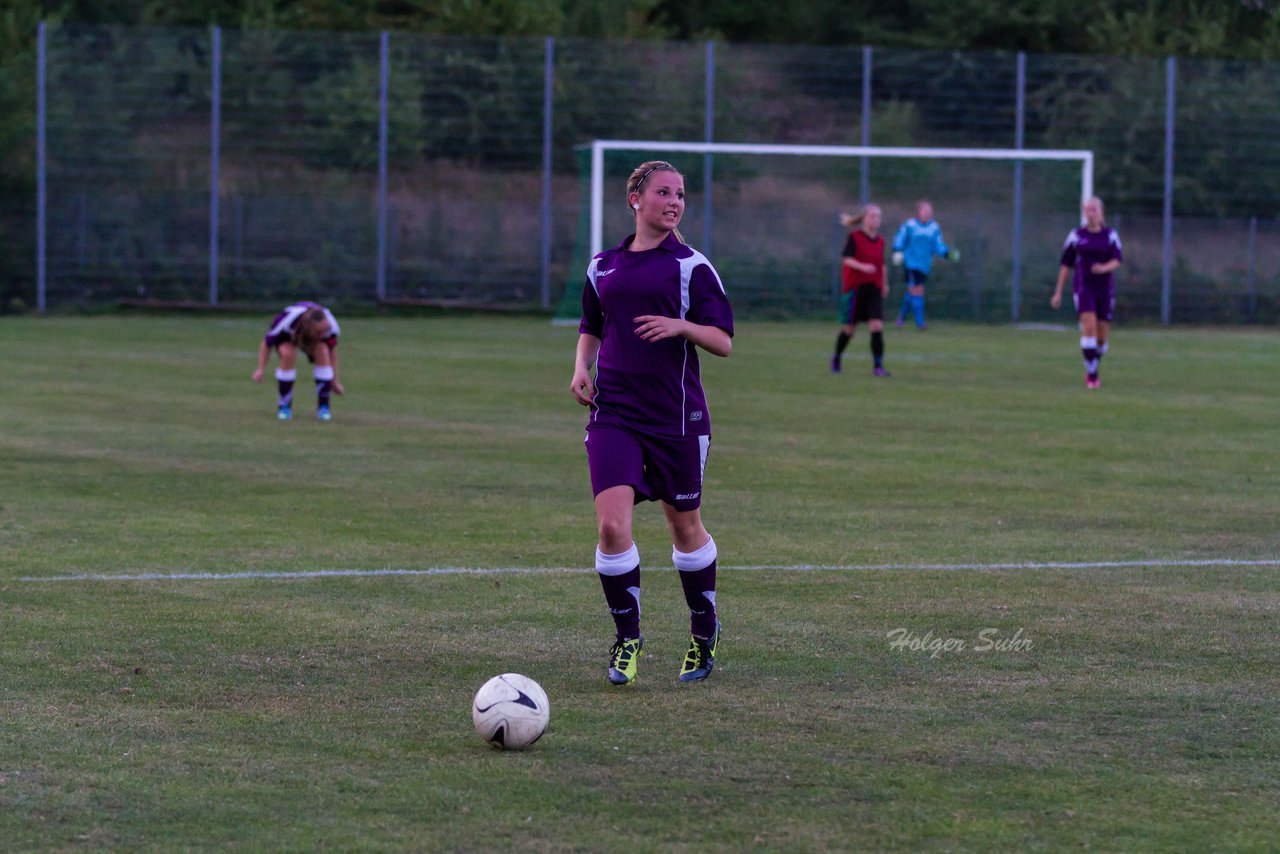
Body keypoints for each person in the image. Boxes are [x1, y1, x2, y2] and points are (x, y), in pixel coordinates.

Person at [569, 160, 734, 686]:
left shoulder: (691, 267)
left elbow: (724, 341)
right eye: (664, 192)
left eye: (681, 195)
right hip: (614, 411)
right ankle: (627, 641)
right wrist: (580, 366)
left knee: (684, 528)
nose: (674, 201)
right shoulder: (604, 265)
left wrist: (682, 325)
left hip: (676, 418)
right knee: (611, 526)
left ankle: (703, 630)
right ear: (635, 199)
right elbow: (592, 325)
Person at [1051, 197, 1123, 389]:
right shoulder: (1076, 235)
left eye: (1094, 210)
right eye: (1087, 210)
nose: (1091, 213)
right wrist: (1058, 292)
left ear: (1101, 212)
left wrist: (1103, 268)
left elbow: (1117, 260)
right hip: (1083, 287)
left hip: (1105, 289)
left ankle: (1092, 364)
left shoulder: (1110, 235)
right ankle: (1092, 375)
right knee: (1088, 327)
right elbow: (1066, 264)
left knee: (1102, 338)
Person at [251, 301, 344, 420]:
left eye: (325, 330)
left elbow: (332, 354)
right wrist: (261, 369)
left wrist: (335, 381)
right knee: (287, 354)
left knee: (323, 351)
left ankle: (324, 408)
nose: (324, 335)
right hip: (289, 338)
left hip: (310, 340)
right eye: (319, 332)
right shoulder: (286, 321)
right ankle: (284, 407)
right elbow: (266, 344)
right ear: (307, 328)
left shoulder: (330, 326)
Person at [831, 204, 890, 377]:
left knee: (877, 325)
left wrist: (885, 284)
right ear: (864, 218)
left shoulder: (880, 241)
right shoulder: (854, 237)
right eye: (872, 216)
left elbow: (882, 265)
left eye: (878, 216)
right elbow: (847, 260)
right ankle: (836, 358)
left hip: (873, 288)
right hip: (855, 289)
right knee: (850, 329)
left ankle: (878, 367)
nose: (876, 219)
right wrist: (863, 267)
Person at [891, 200, 957, 329]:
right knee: (918, 290)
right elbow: (900, 238)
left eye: (929, 211)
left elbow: (937, 245)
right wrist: (897, 250)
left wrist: (947, 253)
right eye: (925, 211)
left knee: (912, 291)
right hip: (910, 263)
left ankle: (901, 318)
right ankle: (920, 323)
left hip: (924, 265)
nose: (927, 213)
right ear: (919, 212)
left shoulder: (934, 228)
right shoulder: (909, 225)